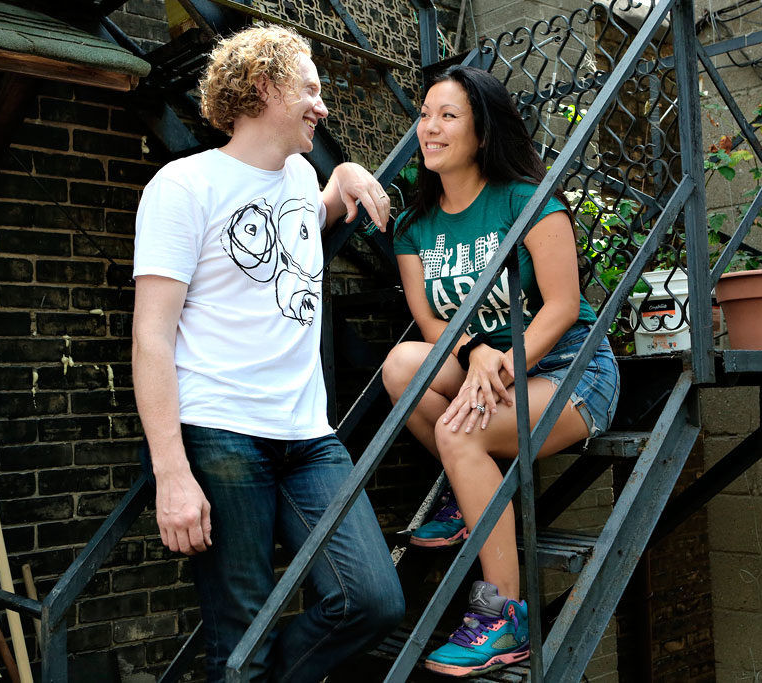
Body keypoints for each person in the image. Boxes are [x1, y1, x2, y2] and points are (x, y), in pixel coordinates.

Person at [132, 26, 404, 682]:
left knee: (371, 599)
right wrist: (172, 474)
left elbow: (311, 216)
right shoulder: (185, 186)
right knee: (241, 637)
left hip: (308, 437)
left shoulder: (301, 177)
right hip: (221, 434)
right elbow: (150, 336)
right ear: (264, 86)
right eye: (310, 89)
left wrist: (346, 176)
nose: (323, 107)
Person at [381, 65, 620, 677]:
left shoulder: (526, 201)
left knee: (458, 431)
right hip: (484, 367)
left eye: (448, 116)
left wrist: (503, 364)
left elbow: (562, 307)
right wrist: (474, 355)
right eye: (424, 115)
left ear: (482, 132)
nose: (429, 128)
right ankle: (470, 490)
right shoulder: (414, 226)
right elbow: (430, 322)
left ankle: (504, 616)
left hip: (570, 369)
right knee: (401, 365)